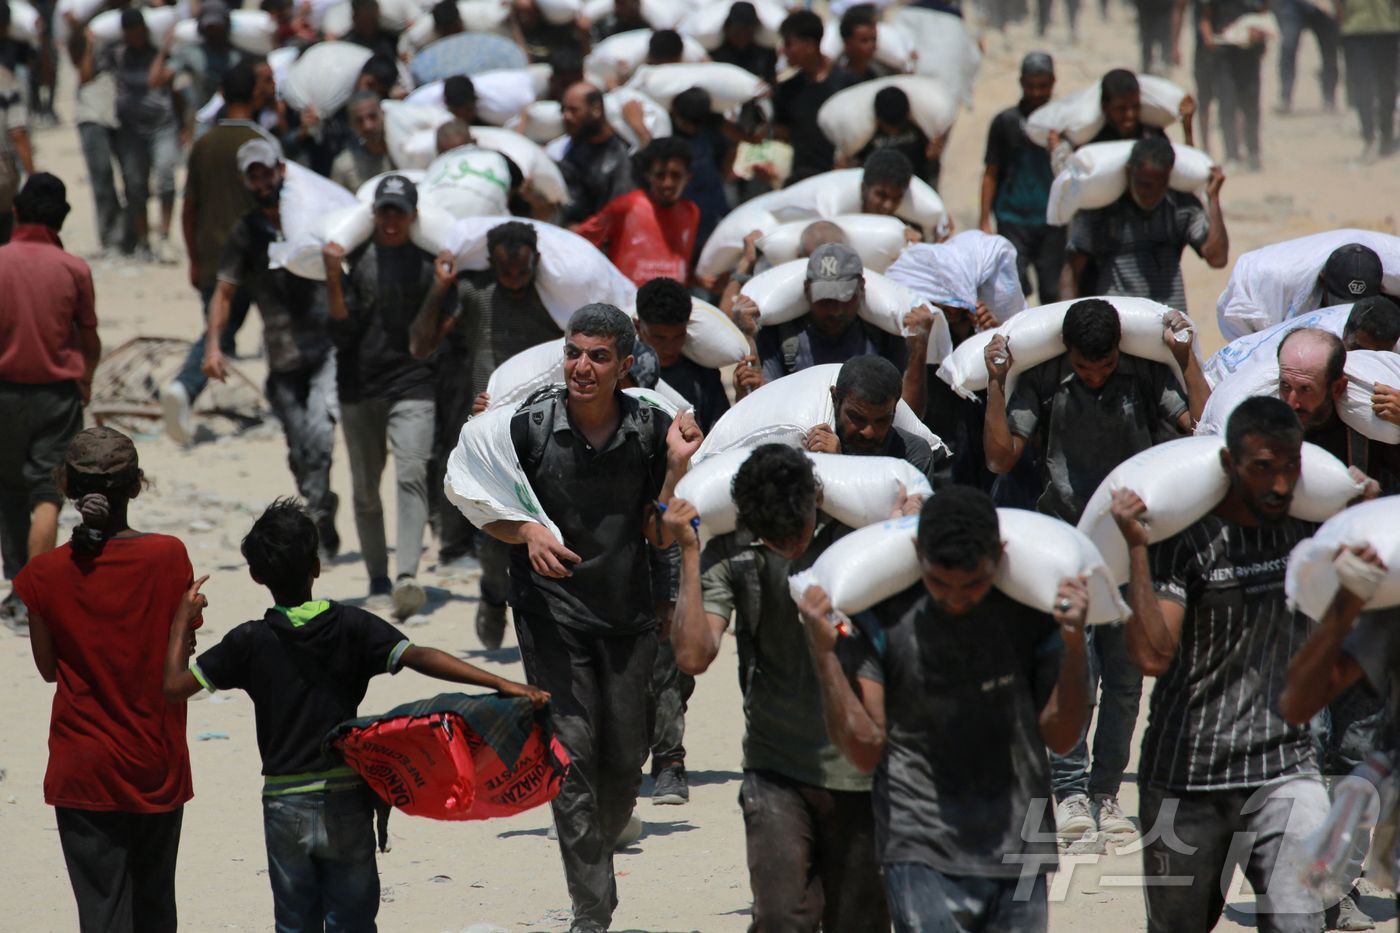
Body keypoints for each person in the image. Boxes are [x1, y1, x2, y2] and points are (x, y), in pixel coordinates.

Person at [162, 498, 546, 932]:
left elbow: (174, 687)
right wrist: (501, 683)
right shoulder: (351, 626)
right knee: (353, 921)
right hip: (347, 796)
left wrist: (181, 623)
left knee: (294, 923)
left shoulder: (248, 641)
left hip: (284, 802)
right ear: (317, 566)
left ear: (255, 576)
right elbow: (419, 655)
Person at [479, 303, 703, 933]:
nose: (582, 366)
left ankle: (599, 852)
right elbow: (481, 502)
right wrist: (525, 530)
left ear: (624, 366)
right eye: (574, 352)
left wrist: (679, 468)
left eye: (598, 356)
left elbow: (659, 534)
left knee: (621, 763)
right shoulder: (530, 427)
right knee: (571, 758)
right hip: (551, 615)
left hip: (627, 617)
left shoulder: (650, 432)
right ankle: (591, 912)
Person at [796, 487, 1091, 932]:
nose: (956, 598)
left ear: (1000, 553)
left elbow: (1063, 736)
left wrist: (1073, 644)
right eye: (940, 583)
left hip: (1019, 844)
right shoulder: (883, 618)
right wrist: (825, 659)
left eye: (973, 584)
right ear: (918, 553)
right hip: (919, 843)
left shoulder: (1034, 614)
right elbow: (864, 751)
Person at [983, 297, 1207, 838]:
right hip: (1065, 540)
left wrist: (1186, 359)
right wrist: (996, 382)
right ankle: (1070, 793)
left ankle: (1105, 793)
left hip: (1134, 542)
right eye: (1086, 368)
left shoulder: (1147, 374)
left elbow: (1204, 425)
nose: (1096, 376)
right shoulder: (1046, 380)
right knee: (1073, 671)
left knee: (1126, 679)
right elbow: (1000, 457)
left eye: (1104, 366)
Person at [1111, 396, 1332, 932]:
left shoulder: (1306, 528)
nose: (1280, 486)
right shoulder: (1185, 541)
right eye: (1262, 469)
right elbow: (1151, 655)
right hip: (1188, 778)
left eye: (1290, 468)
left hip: (1285, 769)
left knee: (1301, 924)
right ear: (1230, 465)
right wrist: (1138, 551)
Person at [665, 444, 896, 933]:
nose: (793, 547)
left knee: (859, 922)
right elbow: (693, 655)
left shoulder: (860, 539)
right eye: (778, 539)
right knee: (779, 918)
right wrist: (688, 551)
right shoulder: (733, 554)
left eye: (801, 533)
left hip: (863, 770)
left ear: (817, 501)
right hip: (775, 767)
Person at [14, 427, 194, 933]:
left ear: (66, 486)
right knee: (156, 905)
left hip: (82, 764)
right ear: (136, 486)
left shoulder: (42, 575)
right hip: (155, 759)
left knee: (102, 913)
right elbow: (178, 657)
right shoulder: (169, 556)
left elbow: (49, 669)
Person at [411, 220, 563, 646]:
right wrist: (439, 288)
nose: (514, 280)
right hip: (492, 431)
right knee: (497, 533)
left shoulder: (554, 298)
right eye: (505, 271)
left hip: (552, 428)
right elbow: (421, 345)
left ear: (536, 261)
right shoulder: (477, 295)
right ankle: (494, 595)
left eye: (521, 270)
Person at [323, 174, 458, 619]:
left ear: (414, 215)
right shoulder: (356, 259)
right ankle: (377, 579)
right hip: (358, 386)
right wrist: (332, 274)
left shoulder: (431, 265)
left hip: (413, 384)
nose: (391, 220)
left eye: (400, 211)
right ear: (374, 213)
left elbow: (432, 338)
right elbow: (340, 330)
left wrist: (440, 287)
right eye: (384, 211)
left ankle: (406, 578)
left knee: (412, 475)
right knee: (365, 490)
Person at [202, 139, 341, 559]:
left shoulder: (315, 218)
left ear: (282, 170)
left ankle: (317, 512)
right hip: (281, 358)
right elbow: (223, 293)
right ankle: (323, 506)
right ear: (246, 181)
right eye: (253, 175)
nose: (262, 181)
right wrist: (213, 346)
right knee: (300, 452)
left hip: (326, 351)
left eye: (267, 171)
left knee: (320, 433)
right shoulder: (246, 234)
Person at [0, 174, 99, 627]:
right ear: (60, 219)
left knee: (9, 489)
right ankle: (30, 596)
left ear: (16, 212)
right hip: (57, 395)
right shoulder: (74, 269)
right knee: (46, 494)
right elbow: (89, 337)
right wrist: (86, 380)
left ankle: (17, 586)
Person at [161, 61, 271, 446]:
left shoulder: (203, 144)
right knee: (250, 332)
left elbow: (189, 206)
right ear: (255, 95)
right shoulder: (262, 141)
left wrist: (192, 256)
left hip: (210, 254)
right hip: (256, 256)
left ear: (221, 96)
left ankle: (186, 390)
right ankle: (186, 387)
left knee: (218, 329)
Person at [1065, 137, 1228, 312]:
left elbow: (1217, 258)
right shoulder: (1102, 212)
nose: (1153, 193)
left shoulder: (1181, 208)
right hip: (1119, 319)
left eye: (1161, 184)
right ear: (1129, 173)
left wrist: (1213, 199)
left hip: (1171, 319)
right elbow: (1073, 270)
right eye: (1145, 184)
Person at [752, 243, 929, 387]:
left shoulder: (884, 331)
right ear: (807, 291)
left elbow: (910, 413)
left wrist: (918, 347)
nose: (835, 311)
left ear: (861, 287)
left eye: (845, 299)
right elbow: (764, 404)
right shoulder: (780, 334)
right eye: (825, 300)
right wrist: (748, 336)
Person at [980, 52, 1063, 304]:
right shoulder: (1005, 122)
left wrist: (1059, 149)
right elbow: (991, 172)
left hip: (1053, 221)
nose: (1037, 93)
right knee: (1013, 289)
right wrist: (984, 219)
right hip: (1012, 220)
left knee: (1053, 293)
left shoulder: (1065, 122)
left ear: (1053, 83)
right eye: (1031, 85)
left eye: (1043, 86)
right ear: (1022, 83)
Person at [100, 9, 179, 264]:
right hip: (130, 130)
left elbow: (155, 80)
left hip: (162, 127)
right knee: (135, 186)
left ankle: (164, 237)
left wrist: (163, 49)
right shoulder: (116, 54)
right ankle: (144, 241)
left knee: (166, 179)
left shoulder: (164, 54)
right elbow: (86, 72)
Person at [1276, 328, 1400, 491]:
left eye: (1305, 389)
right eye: (1285, 386)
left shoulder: (1367, 425)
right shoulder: (1266, 424)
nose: (1292, 403)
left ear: (1337, 388)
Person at [805, 354, 950, 487]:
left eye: (881, 421)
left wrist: (838, 465)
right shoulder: (810, 443)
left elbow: (905, 514)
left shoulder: (911, 454)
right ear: (836, 399)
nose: (869, 432)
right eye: (857, 418)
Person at [577, 136, 699, 287]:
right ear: (648, 176)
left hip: (672, 305)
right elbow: (580, 240)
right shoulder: (626, 206)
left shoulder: (690, 212)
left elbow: (684, 267)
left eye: (676, 175)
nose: (668, 183)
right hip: (627, 304)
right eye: (660, 175)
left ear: (687, 178)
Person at [635, 276, 730, 432]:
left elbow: (719, 431)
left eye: (678, 336)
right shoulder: (623, 372)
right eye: (659, 338)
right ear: (638, 327)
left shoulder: (703, 374)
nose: (669, 348)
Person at [772, 10, 857, 184]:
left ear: (810, 45)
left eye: (789, 44)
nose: (784, 51)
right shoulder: (786, 90)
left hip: (839, 179)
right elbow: (781, 137)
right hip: (800, 181)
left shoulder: (846, 83)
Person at [66, 17, 123, 257]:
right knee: (102, 177)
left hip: (120, 112)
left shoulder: (120, 26)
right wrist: (89, 44)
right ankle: (109, 236)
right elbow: (83, 74)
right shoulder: (84, 31)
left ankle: (127, 234)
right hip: (92, 114)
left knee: (132, 177)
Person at [1199, 0, 1267, 170]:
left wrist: (1258, 33)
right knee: (1227, 104)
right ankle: (1232, 155)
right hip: (1225, 55)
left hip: (1250, 54)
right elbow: (1205, 16)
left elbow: (1264, 15)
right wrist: (1210, 39)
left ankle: (1253, 152)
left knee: (1251, 105)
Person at [557, 82, 636, 226]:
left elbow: (619, 208)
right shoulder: (571, 151)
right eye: (563, 110)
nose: (566, 117)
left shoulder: (619, 155)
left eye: (574, 110)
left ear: (596, 111)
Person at [159, 0, 244, 132]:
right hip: (202, 125)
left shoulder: (238, 57)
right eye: (209, 27)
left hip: (234, 122)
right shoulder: (191, 53)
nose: (213, 32)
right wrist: (163, 50)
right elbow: (158, 80)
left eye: (217, 27)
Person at [1339, 0, 1398, 160]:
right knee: (1362, 84)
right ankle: (1369, 136)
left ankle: (1386, 134)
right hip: (1356, 29)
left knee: (1386, 85)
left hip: (1387, 28)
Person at [854, 87, 944, 191]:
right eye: (889, 128)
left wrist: (932, 159)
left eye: (899, 127)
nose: (894, 132)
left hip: (917, 189)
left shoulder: (918, 128)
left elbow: (931, 165)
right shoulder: (864, 137)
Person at [1274, 0, 1338, 113]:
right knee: (1288, 46)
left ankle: (1329, 96)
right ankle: (1285, 97)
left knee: (1329, 51)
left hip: (1324, 4)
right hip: (1292, 5)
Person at [331, 92, 394, 194]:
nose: (368, 126)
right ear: (352, 125)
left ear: (383, 114)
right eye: (359, 120)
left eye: (372, 116)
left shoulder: (405, 152)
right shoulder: (344, 166)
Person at [709, 1, 777, 84]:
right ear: (728, 27)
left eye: (747, 30)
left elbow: (772, 81)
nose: (743, 35)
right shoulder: (715, 55)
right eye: (738, 30)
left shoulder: (766, 55)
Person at [836, 4, 890, 82]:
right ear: (847, 42)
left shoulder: (878, 73)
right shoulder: (837, 79)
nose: (871, 46)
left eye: (874, 39)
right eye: (864, 41)